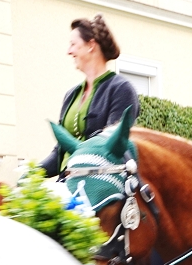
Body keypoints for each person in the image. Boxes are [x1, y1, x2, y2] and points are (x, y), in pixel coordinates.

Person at [41, 15, 138, 177]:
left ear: (91, 45)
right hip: (66, 181)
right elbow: (59, 153)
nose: (69, 51)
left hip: (99, 184)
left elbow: (111, 147)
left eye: (73, 44)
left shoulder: (121, 89)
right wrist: (32, 171)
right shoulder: (71, 95)